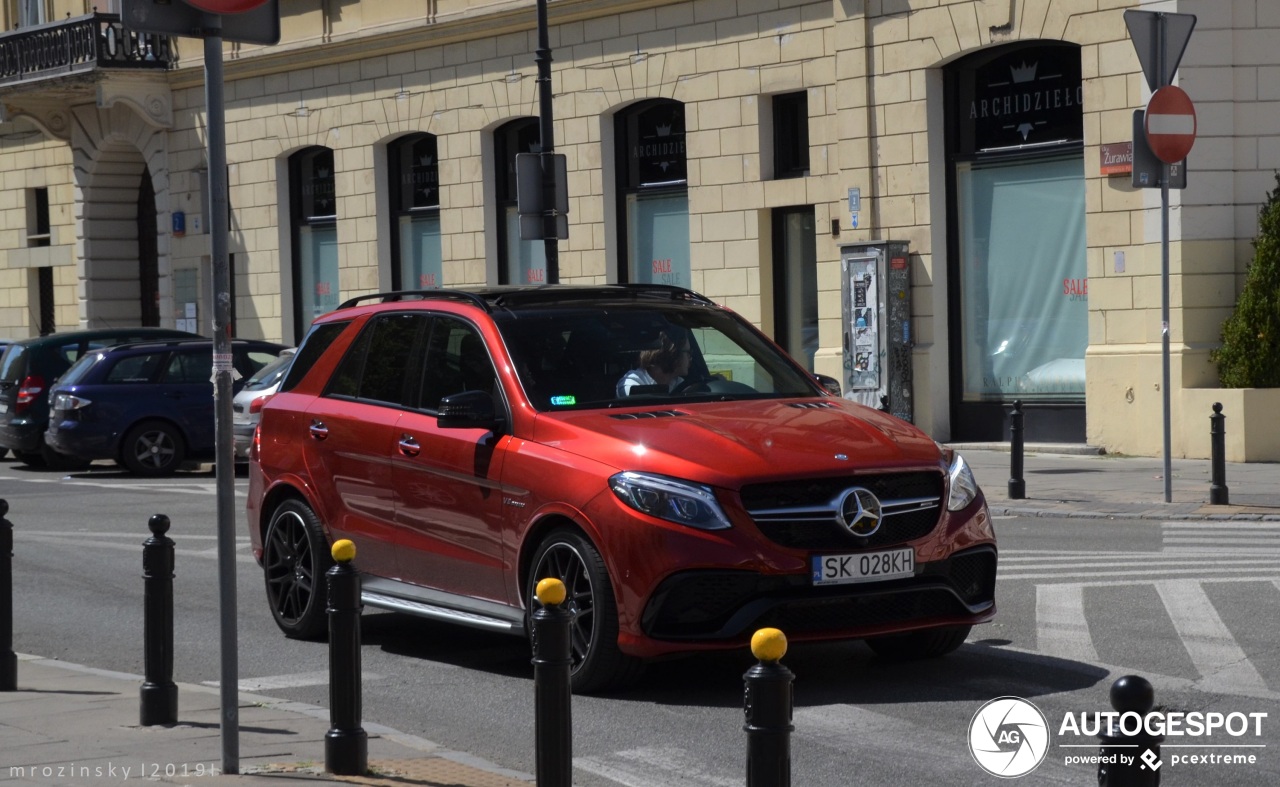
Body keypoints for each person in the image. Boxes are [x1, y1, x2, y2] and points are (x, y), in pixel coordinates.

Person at [616, 329, 692, 397]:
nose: (690, 357)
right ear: (672, 353)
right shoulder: (632, 384)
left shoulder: (680, 385)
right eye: (687, 352)